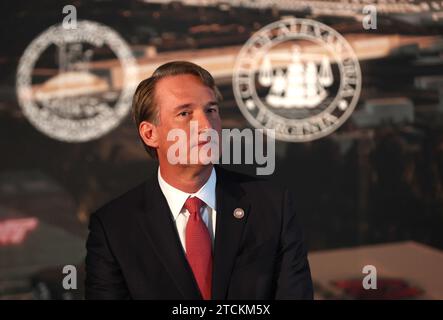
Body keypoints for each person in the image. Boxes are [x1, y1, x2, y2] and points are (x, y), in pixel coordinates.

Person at [85, 61, 313, 299]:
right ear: (150, 134)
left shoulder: (272, 207)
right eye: (185, 113)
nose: (206, 125)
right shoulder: (114, 227)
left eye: (211, 110)